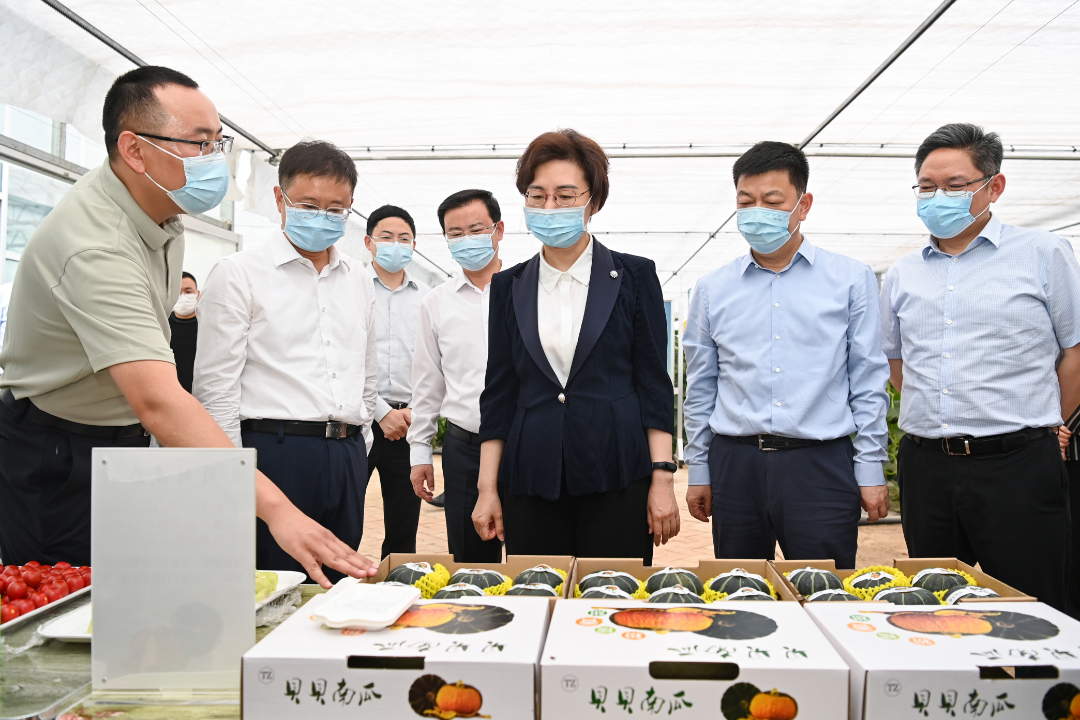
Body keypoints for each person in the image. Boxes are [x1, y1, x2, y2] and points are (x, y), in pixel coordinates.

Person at [0, 67, 373, 585]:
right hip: (59, 450)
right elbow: (160, 399)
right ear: (134, 150)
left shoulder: (158, 211)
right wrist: (276, 509)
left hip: (124, 441)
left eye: (218, 142)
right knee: (64, 598)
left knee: (134, 592)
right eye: (199, 144)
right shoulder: (95, 245)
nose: (215, 160)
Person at [882, 122, 1080, 611]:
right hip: (927, 466)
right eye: (927, 187)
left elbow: (1075, 351)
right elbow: (896, 360)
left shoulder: (1044, 254)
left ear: (994, 186)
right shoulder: (904, 272)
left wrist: (1052, 423)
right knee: (933, 603)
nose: (938, 198)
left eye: (955, 185)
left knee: (1032, 607)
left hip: (1017, 464)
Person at [471, 129, 678, 562]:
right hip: (530, 478)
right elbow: (500, 393)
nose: (549, 207)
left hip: (617, 474)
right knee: (537, 591)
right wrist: (487, 488)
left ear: (593, 201)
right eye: (537, 195)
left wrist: (662, 478)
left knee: (613, 592)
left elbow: (653, 385)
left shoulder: (634, 276)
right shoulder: (508, 285)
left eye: (565, 196)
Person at [682, 141, 890, 569]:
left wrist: (870, 467)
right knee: (739, 587)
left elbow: (868, 378)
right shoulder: (713, 289)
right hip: (736, 463)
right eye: (746, 202)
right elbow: (701, 386)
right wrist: (699, 468)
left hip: (819, 462)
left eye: (772, 201)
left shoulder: (850, 279)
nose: (757, 211)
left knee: (823, 586)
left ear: (803, 204)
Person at [194, 140, 378, 581]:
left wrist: (359, 444)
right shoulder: (239, 273)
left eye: (336, 209)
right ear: (280, 199)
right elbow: (216, 390)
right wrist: (237, 477)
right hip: (276, 455)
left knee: (336, 582)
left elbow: (366, 371)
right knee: (274, 583)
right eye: (308, 205)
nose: (322, 217)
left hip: (346, 455)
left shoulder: (358, 278)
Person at [408, 190, 505, 563]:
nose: (467, 240)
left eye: (476, 230)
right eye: (456, 233)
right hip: (466, 448)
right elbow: (428, 383)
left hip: (527, 445)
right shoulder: (437, 302)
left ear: (498, 230)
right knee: (471, 559)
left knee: (535, 557)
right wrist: (420, 451)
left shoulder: (528, 291)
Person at [364, 204, 430, 558]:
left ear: (414, 245)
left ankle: (398, 583)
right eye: (386, 237)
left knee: (404, 526)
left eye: (404, 239)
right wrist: (381, 412)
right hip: (358, 421)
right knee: (344, 518)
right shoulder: (352, 289)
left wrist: (415, 411)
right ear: (368, 242)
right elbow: (341, 359)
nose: (396, 245)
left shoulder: (427, 298)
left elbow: (436, 362)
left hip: (409, 425)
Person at [169, 271, 200, 393]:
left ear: (198, 294)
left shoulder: (208, 325)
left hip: (203, 393)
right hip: (172, 393)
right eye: (177, 293)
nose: (183, 297)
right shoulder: (162, 326)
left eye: (188, 292)